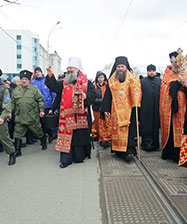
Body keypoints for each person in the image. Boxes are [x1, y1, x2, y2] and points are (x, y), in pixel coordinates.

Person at [45, 57, 96, 168]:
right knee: (66, 137)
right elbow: (54, 86)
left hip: (80, 115)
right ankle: (66, 160)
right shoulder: (64, 82)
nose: (68, 70)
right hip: (66, 115)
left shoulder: (86, 82)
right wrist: (50, 76)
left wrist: (85, 96)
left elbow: (94, 94)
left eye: (71, 68)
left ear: (77, 69)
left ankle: (79, 156)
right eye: (67, 68)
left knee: (78, 138)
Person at [101, 56, 142, 162]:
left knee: (128, 133)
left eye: (122, 66)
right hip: (115, 111)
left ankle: (129, 151)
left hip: (129, 111)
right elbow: (108, 95)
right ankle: (119, 151)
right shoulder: (111, 80)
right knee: (117, 132)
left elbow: (136, 92)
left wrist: (136, 101)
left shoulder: (132, 78)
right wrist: (106, 109)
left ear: (126, 67)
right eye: (118, 66)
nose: (120, 69)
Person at [11, 70, 47, 157]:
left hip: (32, 117)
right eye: (22, 79)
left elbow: (40, 100)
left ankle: (43, 141)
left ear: (29, 80)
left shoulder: (34, 89)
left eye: (26, 79)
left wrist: (42, 110)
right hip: (20, 117)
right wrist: (9, 113)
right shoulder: (16, 91)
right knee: (17, 134)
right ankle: (18, 150)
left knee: (38, 132)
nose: (24, 81)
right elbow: (12, 103)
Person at [160, 51, 187, 163]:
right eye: (173, 62)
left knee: (180, 128)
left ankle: (178, 154)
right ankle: (168, 151)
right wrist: (172, 86)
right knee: (170, 128)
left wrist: (183, 85)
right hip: (169, 107)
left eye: (177, 62)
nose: (175, 64)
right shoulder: (167, 72)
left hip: (182, 106)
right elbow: (163, 88)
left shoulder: (185, 72)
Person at [31, 67, 56, 143]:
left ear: (41, 72)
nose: (37, 73)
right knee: (40, 123)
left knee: (46, 122)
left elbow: (52, 92)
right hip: (37, 106)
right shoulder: (33, 82)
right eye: (36, 72)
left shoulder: (46, 80)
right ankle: (44, 138)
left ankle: (51, 134)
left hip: (47, 105)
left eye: (39, 71)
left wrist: (53, 103)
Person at [140, 64, 161, 151]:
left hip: (156, 107)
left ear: (155, 71)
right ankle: (146, 143)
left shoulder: (159, 81)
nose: (151, 72)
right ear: (147, 71)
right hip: (145, 107)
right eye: (150, 71)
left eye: (153, 70)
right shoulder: (142, 81)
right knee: (146, 125)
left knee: (155, 125)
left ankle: (155, 144)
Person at [0, 68, 16, 165]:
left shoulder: (3, 89)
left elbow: (7, 105)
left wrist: (2, 117)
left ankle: (11, 153)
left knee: (4, 137)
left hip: (1, 116)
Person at [92, 71, 111, 148]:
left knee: (107, 123)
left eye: (102, 77)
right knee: (97, 123)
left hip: (106, 107)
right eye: (99, 77)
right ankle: (100, 137)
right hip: (97, 107)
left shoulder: (107, 86)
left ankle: (106, 138)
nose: (100, 79)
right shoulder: (94, 86)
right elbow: (92, 97)